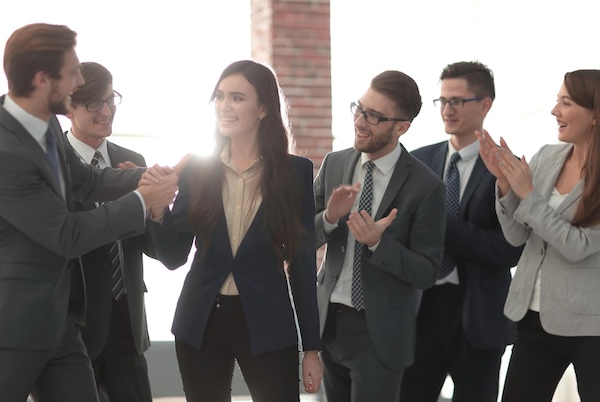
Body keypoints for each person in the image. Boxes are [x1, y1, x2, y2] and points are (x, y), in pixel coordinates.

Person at [0, 23, 178, 402]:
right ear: (41, 79)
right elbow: (67, 235)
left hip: (58, 325)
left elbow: (86, 181)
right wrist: (142, 201)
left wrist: (145, 177)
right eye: (72, 73)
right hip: (8, 330)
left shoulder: (45, 125)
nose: (79, 80)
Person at [147, 60, 323, 402]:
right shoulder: (197, 169)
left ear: (262, 109)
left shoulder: (295, 172)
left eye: (237, 98)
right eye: (220, 96)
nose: (225, 106)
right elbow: (172, 256)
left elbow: (302, 265)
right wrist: (157, 211)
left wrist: (311, 349)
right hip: (200, 322)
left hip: (267, 319)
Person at [314, 70, 446, 402]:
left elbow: (427, 271)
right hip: (327, 322)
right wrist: (330, 218)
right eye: (359, 109)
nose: (359, 121)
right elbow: (299, 238)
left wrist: (377, 243)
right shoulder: (334, 163)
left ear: (401, 127)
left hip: (380, 334)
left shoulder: (427, 186)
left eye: (373, 116)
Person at [400, 61, 523, 402]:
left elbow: (510, 248)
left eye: (458, 101)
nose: (447, 110)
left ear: (485, 105)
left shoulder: (507, 167)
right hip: (420, 310)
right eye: (442, 101)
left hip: (478, 315)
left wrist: (441, 226)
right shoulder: (417, 162)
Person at [478, 69, 600, 402]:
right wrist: (505, 186)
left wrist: (527, 194)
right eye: (556, 101)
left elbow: (578, 246)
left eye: (566, 102)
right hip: (534, 317)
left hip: (592, 326)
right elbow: (518, 236)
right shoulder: (547, 156)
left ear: (594, 114)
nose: (554, 111)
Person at [66, 62, 153, 402]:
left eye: (110, 99)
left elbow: (153, 245)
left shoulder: (131, 160)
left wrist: (156, 209)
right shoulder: (52, 162)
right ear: (67, 107)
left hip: (127, 319)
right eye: (93, 103)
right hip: (74, 322)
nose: (106, 111)